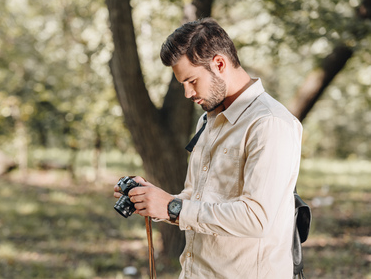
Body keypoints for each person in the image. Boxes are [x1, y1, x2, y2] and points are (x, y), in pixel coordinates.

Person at [114, 18, 303, 279]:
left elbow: (257, 218)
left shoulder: (270, 123)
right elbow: (198, 201)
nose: (188, 94)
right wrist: (153, 200)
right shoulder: (209, 119)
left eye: (191, 81)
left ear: (219, 64)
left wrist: (172, 207)